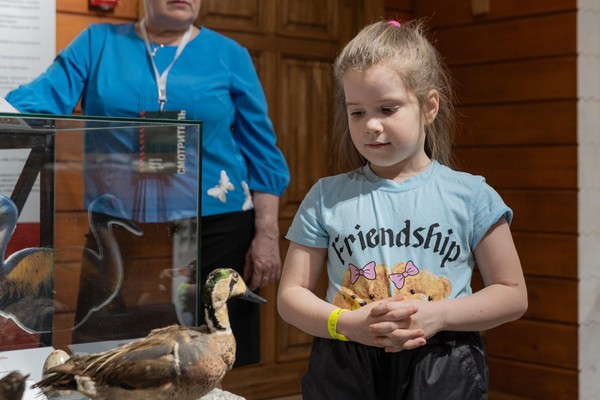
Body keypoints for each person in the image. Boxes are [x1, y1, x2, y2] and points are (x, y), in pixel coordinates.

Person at [5, 0, 289, 367]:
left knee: (208, 357)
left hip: (216, 227)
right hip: (120, 230)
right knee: (109, 349)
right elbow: (38, 99)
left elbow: (261, 150)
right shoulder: (98, 41)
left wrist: (267, 232)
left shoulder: (229, 55)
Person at [277, 19, 527, 399]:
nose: (370, 126)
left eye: (387, 108)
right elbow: (291, 296)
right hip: (345, 360)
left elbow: (512, 294)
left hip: (443, 362)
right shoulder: (326, 196)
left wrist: (439, 315)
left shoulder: (472, 195)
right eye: (357, 112)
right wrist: (344, 323)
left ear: (429, 106)